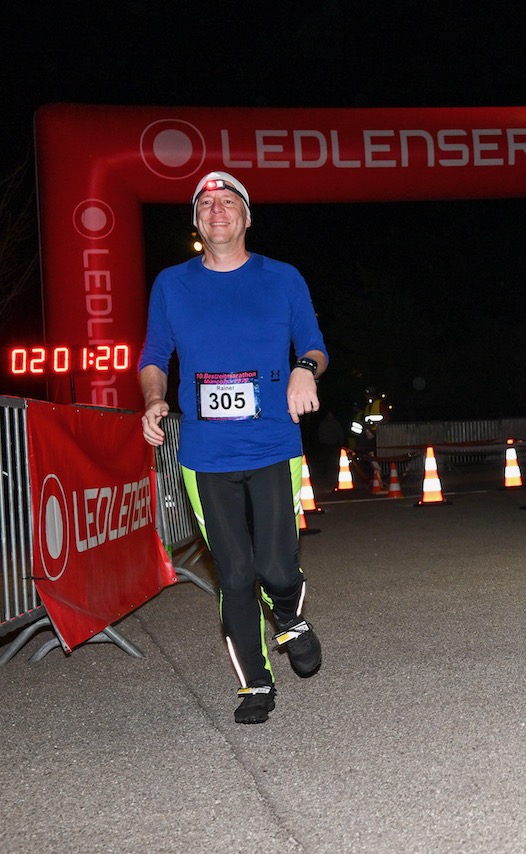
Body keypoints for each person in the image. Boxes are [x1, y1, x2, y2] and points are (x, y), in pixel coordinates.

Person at [139, 171, 328, 724]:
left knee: (275, 564)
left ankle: (290, 621)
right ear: (197, 221)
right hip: (205, 455)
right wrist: (154, 399)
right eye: (205, 204)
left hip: (273, 443)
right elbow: (155, 353)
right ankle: (255, 684)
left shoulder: (283, 278)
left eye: (228, 202)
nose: (216, 209)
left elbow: (314, 346)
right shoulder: (172, 284)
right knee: (237, 574)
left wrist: (303, 371)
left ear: (246, 217)